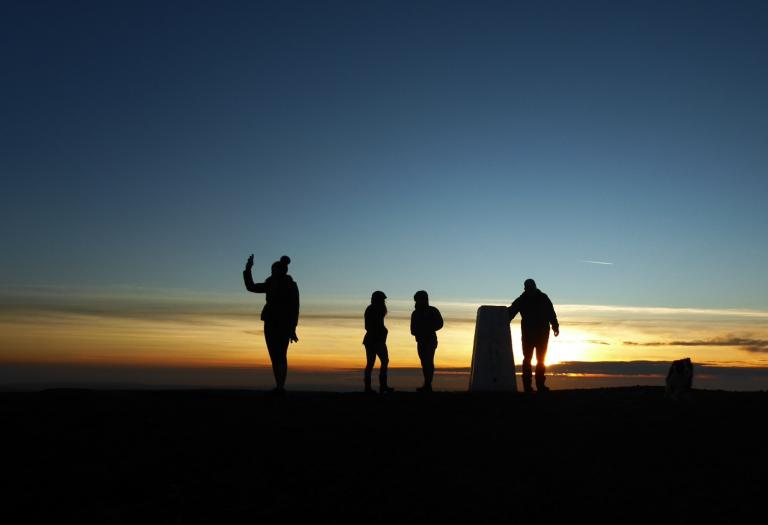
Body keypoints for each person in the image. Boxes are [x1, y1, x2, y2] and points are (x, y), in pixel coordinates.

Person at [243, 254, 299, 392]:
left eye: (273, 270)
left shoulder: (290, 285)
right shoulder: (271, 283)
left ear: (280, 270)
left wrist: (292, 328)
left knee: (280, 355)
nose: (272, 272)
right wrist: (248, 269)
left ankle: (280, 386)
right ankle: (279, 385)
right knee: (275, 355)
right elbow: (251, 287)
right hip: (272, 322)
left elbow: (294, 308)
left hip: (283, 323)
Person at [508, 279, 559, 393]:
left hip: (541, 335)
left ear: (534, 287)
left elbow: (551, 313)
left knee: (540, 360)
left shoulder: (543, 298)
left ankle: (540, 385)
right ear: (526, 288)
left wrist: (555, 326)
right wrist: (500, 318)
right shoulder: (522, 299)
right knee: (528, 359)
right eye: (528, 288)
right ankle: (528, 387)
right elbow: (510, 312)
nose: (530, 290)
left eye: (531, 288)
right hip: (528, 335)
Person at [410, 290, 444, 392]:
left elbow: (440, 323)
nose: (417, 302)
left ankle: (428, 384)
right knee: (424, 362)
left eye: (418, 300)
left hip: (430, 341)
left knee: (428, 361)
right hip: (421, 341)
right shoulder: (415, 313)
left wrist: (428, 329)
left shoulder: (433, 310)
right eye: (416, 300)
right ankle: (427, 384)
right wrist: (419, 332)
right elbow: (412, 330)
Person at [363, 291, 394, 393]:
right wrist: (381, 332)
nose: (384, 302)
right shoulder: (375, 309)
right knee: (384, 361)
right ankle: (382, 386)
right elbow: (369, 326)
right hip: (376, 340)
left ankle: (369, 388)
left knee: (371, 363)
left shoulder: (372, 309)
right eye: (382, 300)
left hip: (371, 340)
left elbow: (370, 326)